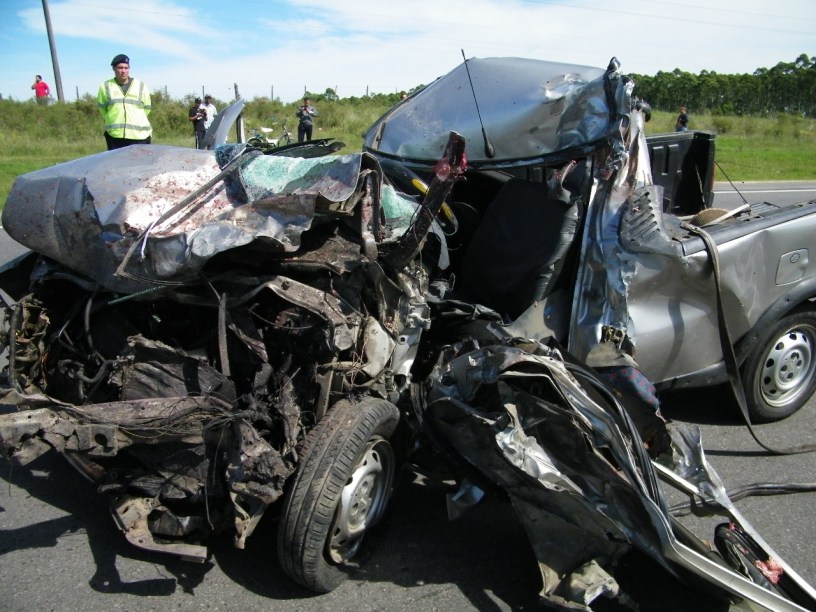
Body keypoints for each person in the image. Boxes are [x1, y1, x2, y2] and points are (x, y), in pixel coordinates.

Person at [97, 54, 152, 150]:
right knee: (116, 161)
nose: (123, 71)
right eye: (120, 68)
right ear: (114, 69)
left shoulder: (141, 85)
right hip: (115, 137)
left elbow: (147, 108)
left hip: (140, 136)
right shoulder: (105, 87)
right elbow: (103, 110)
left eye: (126, 68)